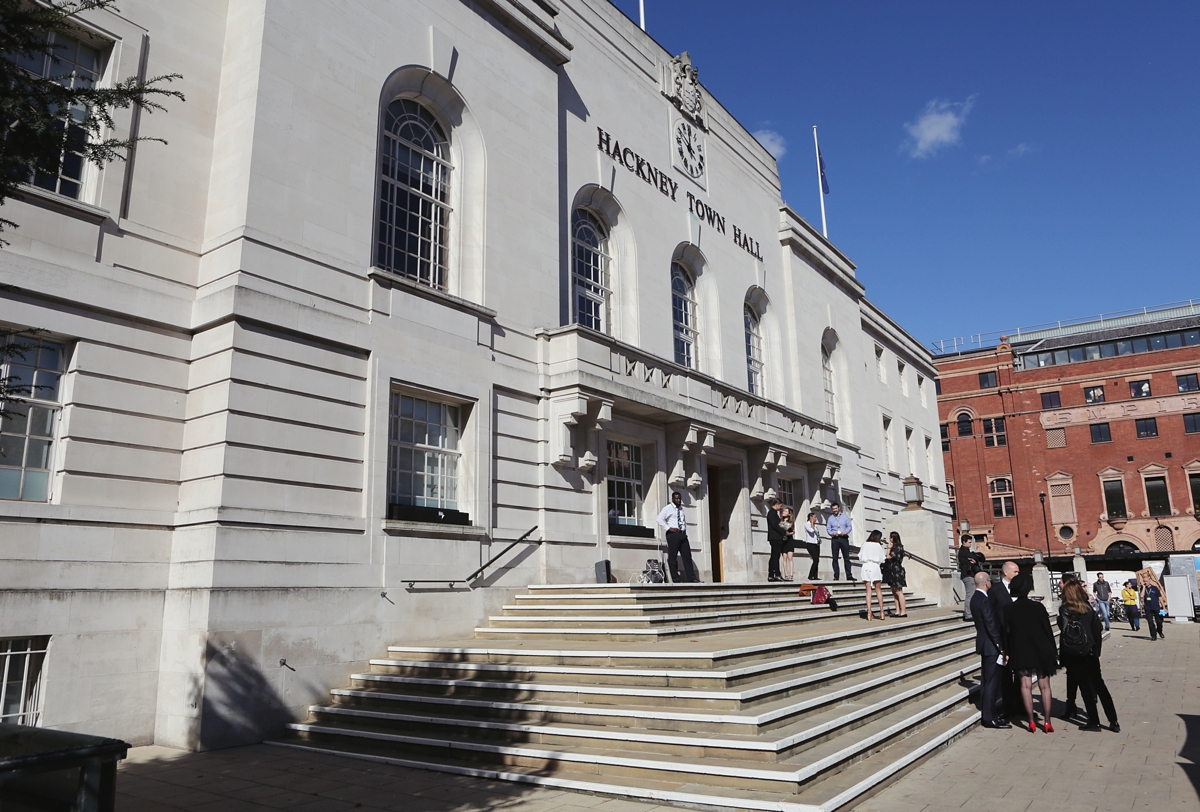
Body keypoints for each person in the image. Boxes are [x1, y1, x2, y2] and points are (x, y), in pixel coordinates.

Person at [1058, 580, 1119, 732]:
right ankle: (1113, 721)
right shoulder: (1088, 609)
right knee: (1100, 686)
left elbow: (1065, 631)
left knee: (1085, 688)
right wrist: (1097, 651)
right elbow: (1097, 630)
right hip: (1090, 650)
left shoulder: (1065, 609)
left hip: (1075, 652)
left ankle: (1094, 721)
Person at [1004, 574, 1057, 733]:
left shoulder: (1009, 609)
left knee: (1025, 685)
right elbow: (1048, 630)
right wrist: (1054, 651)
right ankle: (1047, 722)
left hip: (1021, 649)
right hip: (1041, 648)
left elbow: (1006, 633)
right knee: (1045, 686)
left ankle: (1031, 722)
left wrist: (1007, 651)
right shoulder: (1038, 607)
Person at [970, 571, 1010, 728]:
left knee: (987, 682)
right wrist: (1000, 647)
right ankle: (989, 716)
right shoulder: (984, 600)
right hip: (991, 646)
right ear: (987, 583)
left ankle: (989, 713)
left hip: (985, 644)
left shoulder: (975, 598)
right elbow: (991, 625)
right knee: (992, 683)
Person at [989, 561, 1020, 717]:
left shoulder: (1019, 588)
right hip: (1004, 637)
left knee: (1021, 674)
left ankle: (1022, 706)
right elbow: (992, 615)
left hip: (1019, 637)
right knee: (1006, 676)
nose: (1017, 574)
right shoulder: (995, 590)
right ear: (1006, 572)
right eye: (1015, 571)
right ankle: (1009, 708)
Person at [655, 491, 698, 583]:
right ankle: (676, 579)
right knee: (672, 557)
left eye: (679, 498)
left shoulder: (681, 509)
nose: (678, 500)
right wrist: (668, 528)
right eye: (677, 498)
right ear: (672, 499)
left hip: (682, 534)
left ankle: (691, 578)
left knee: (687, 556)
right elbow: (659, 519)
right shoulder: (668, 508)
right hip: (673, 535)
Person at [858, 529, 887, 621]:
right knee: (878, 590)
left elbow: (860, 556)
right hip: (874, 566)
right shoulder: (878, 546)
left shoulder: (864, 544)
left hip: (866, 566)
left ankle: (869, 612)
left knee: (868, 591)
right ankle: (882, 611)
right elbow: (882, 559)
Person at [957, 535, 986, 621]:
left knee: (972, 595)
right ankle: (968, 614)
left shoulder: (966, 551)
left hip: (969, 575)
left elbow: (978, 558)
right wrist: (974, 558)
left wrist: (974, 559)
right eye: (969, 542)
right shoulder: (963, 551)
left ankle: (970, 613)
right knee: (970, 595)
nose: (970, 544)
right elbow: (976, 557)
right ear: (964, 542)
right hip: (967, 575)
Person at [827, 502, 854, 581]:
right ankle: (836, 576)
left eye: (836, 508)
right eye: (833, 509)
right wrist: (832, 533)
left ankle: (849, 575)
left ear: (839, 508)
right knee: (835, 558)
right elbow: (828, 528)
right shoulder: (830, 518)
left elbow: (849, 526)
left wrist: (846, 531)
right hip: (835, 539)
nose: (835, 510)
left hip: (844, 538)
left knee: (846, 558)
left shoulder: (845, 517)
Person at [884, 531, 907, 617]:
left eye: (891, 537)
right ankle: (897, 610)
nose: (890, 539)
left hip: (897, 570)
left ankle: (903, 611)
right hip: (892, 570)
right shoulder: (895, 547)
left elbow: (889, 557)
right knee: (894, 591)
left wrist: (889, 548)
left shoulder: (898, 547)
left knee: (898, 591)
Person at [1140, 573, 1167, 641]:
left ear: (1149, 581)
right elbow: (1141, 596)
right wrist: (1143, 587)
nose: (1145, 582)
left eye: (1146, 581)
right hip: (1148, 608)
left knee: (1159, 621)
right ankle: (1153, 635)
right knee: (1150, 622)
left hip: (1156, 607)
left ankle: (1159, 631)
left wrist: (1163, 606)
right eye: (1144, 581)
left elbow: (1160, 597)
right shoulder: (1143, 588)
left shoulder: (1154, 588)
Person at [765, 497, 787, 582]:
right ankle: (776, 574)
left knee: (774, 556)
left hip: (775, 537)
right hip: (775, 538)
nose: (781, 507)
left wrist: (786, 524)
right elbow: (775, 525)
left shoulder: (774, 514)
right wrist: (783, 531)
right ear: (776, 504)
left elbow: (779, 524)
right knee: (775, 556)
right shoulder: (772, 513)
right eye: (780, 505)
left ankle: (771, 575)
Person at [802, 511, 821, 580]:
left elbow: (816, 533)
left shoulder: (816, 526)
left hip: (816, 543)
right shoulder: (807, 524)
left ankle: (815, 576)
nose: (816, 519)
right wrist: (812, 522)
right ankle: (810, 575)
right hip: (810, 543)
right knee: (815, 560)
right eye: (814, 517)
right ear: (810, 517)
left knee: (817, 560)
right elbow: (811, 531)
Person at [780, 506, 796, 581]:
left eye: (786, 511)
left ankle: (791, 574)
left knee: (790, 558)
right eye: (784, 511)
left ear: (789, 514)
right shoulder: (781, 521)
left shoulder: (791, 522)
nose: (784, 512)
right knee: (784, 558)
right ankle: (786, 574)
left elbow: (793, 531)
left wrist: (789, 534)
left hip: (789, 540)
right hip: (783, 541)